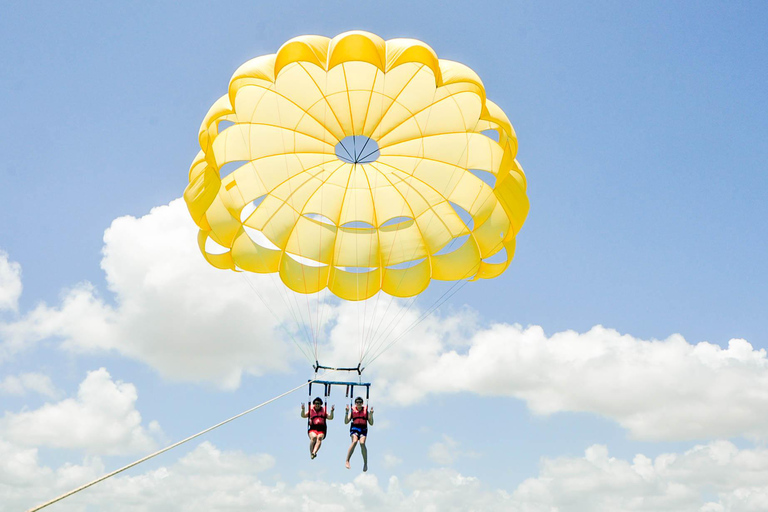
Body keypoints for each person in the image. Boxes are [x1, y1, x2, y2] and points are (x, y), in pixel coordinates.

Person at [344, 397, 374, 471]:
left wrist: (371, 414)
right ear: (355, 403)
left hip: (363, 428)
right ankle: (347, 460)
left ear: (362, 403)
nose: (359, 404)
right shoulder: (352, 411)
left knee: (362, 443)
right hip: (355, 428)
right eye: (357, 402)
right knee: (354, 441)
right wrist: (347, 412)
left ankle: (365, 463)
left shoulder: (366, 411)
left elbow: (371, 423)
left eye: (360, 402)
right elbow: (346, 421)